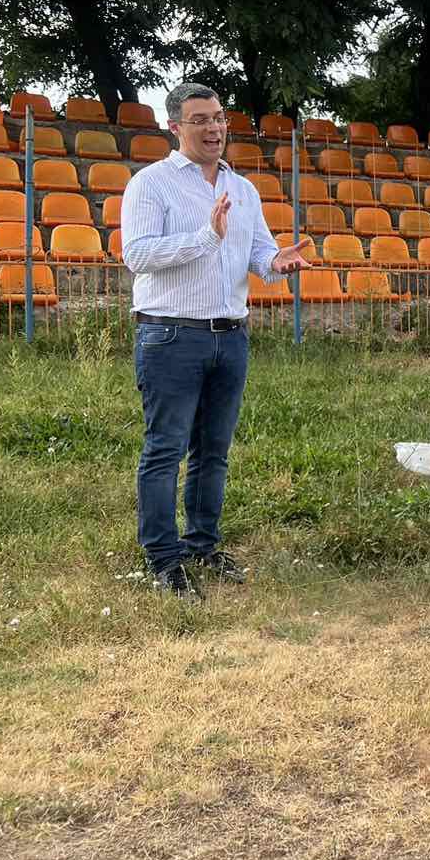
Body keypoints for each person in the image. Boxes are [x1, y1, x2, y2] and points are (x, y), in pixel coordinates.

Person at [121, 83, 312, 595]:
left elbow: (258, 254)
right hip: (170, 335)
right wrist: (206, 236)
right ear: (175, 127)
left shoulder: (243, 189)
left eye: (220, 118)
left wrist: (279, 263)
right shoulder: (150, 185)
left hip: (230, 336)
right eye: (200, 119)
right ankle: (163, 558)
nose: (214, 128)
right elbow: (137, 255)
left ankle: (201, 544)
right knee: (165, 449)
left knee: (214, 450)